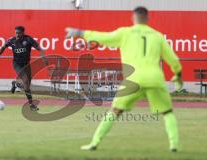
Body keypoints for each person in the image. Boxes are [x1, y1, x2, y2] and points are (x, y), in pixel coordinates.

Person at [65, 6, 183, 152]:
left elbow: (103, 37)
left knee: (114, 111)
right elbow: (174, 60)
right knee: (167, 112)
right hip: (155, 78)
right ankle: (174, 146)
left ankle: (94, 143)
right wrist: (178, 74)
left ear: (133, 18)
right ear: (147, 18)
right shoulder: (157, 36)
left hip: (133, 79)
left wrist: (80, 32)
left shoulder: (125, 33)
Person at [0, 26, 44, 111]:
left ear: (23, 33)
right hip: (17, 64)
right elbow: (3, 47)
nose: (17, 34)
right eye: (16, 33)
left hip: (27, 65)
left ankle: (16, 84)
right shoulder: (12, 40)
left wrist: (44, 57)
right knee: (26, 83)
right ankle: (31, 105)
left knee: (27, 85)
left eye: (19, 33)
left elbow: (39, 48)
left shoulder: (28, 39)